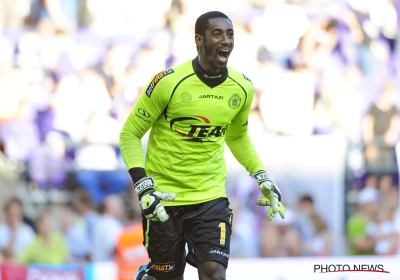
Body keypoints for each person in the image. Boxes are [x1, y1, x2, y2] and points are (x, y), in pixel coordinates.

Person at [119, 11, 285, 280]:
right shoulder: (168, 82)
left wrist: (261, 175)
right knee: (167, 277)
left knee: (214, 273)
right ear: (199, 40)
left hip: (209, 199)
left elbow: (237, 136)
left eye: (230, 34)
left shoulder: (241, 87)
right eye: (217, 34)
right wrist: (142, 186)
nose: (226, 41)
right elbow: (129, 134)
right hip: (163, 199)